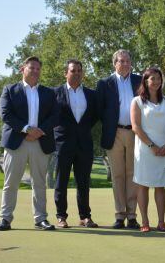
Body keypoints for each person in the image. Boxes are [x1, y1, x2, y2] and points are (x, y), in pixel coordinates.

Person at [0, 56, 58, 231]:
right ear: (22, 69)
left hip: (41, 141)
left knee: (39, 182)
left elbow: (55, 116)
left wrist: (38, 131)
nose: (35, 71)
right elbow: (6, 114)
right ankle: (5, 219)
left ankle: (41, 219)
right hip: (17, 141)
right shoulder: (9, 90)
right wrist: (26, 130)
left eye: (38, 68)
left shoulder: (49, 92)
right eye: (32, 68)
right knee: (11, 182)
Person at [96, 49, 142, 229]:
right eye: (121, 61)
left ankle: (132, 215)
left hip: (135, 133)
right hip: (113, 133)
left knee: (133, 175)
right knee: (117, 175)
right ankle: (119, 215)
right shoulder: (104, 83)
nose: (124, 64)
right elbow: (100, 110)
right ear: (114, 63)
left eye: (127, 61)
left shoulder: (139, 80)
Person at [53, 59, 99, 228]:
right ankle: (61, 216)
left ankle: (85, 216)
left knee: (84, 182)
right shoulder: (55, 93)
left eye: (80, 70)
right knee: (61, 181)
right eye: (73, 70)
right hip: (63, 144)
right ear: (66, 73)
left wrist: (82, 130)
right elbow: (51, 116)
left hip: (84, 144)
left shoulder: (91, 94)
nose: (77, 73)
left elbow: (93, 117)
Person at [131, 67, 165, 232]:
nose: (156, 82)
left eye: (158, 78)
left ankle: (161, 222)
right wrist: (152, 146)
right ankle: (145, 222)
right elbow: (136, 127)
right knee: (143, 185)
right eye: (152, 79)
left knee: (160, 185)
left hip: (164, 149)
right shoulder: (137, 101)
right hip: (145, 149)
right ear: (145, 81)